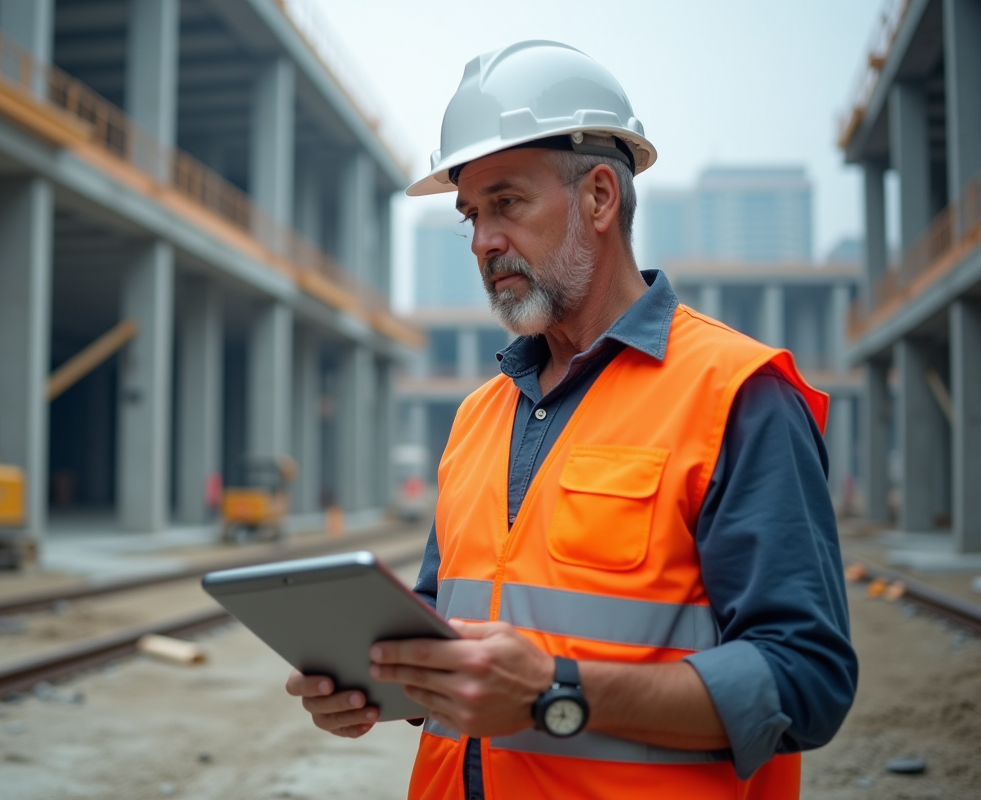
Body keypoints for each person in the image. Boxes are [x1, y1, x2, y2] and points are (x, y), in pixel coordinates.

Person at [286, 40, 857, 800]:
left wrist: (557, 691)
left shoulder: (735, 393)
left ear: (598, 198)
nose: (484, 240)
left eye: (507, 204)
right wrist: (373, 673)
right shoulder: (477, 417)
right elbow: (447, 610)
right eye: (471, 216)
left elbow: (806, 678)